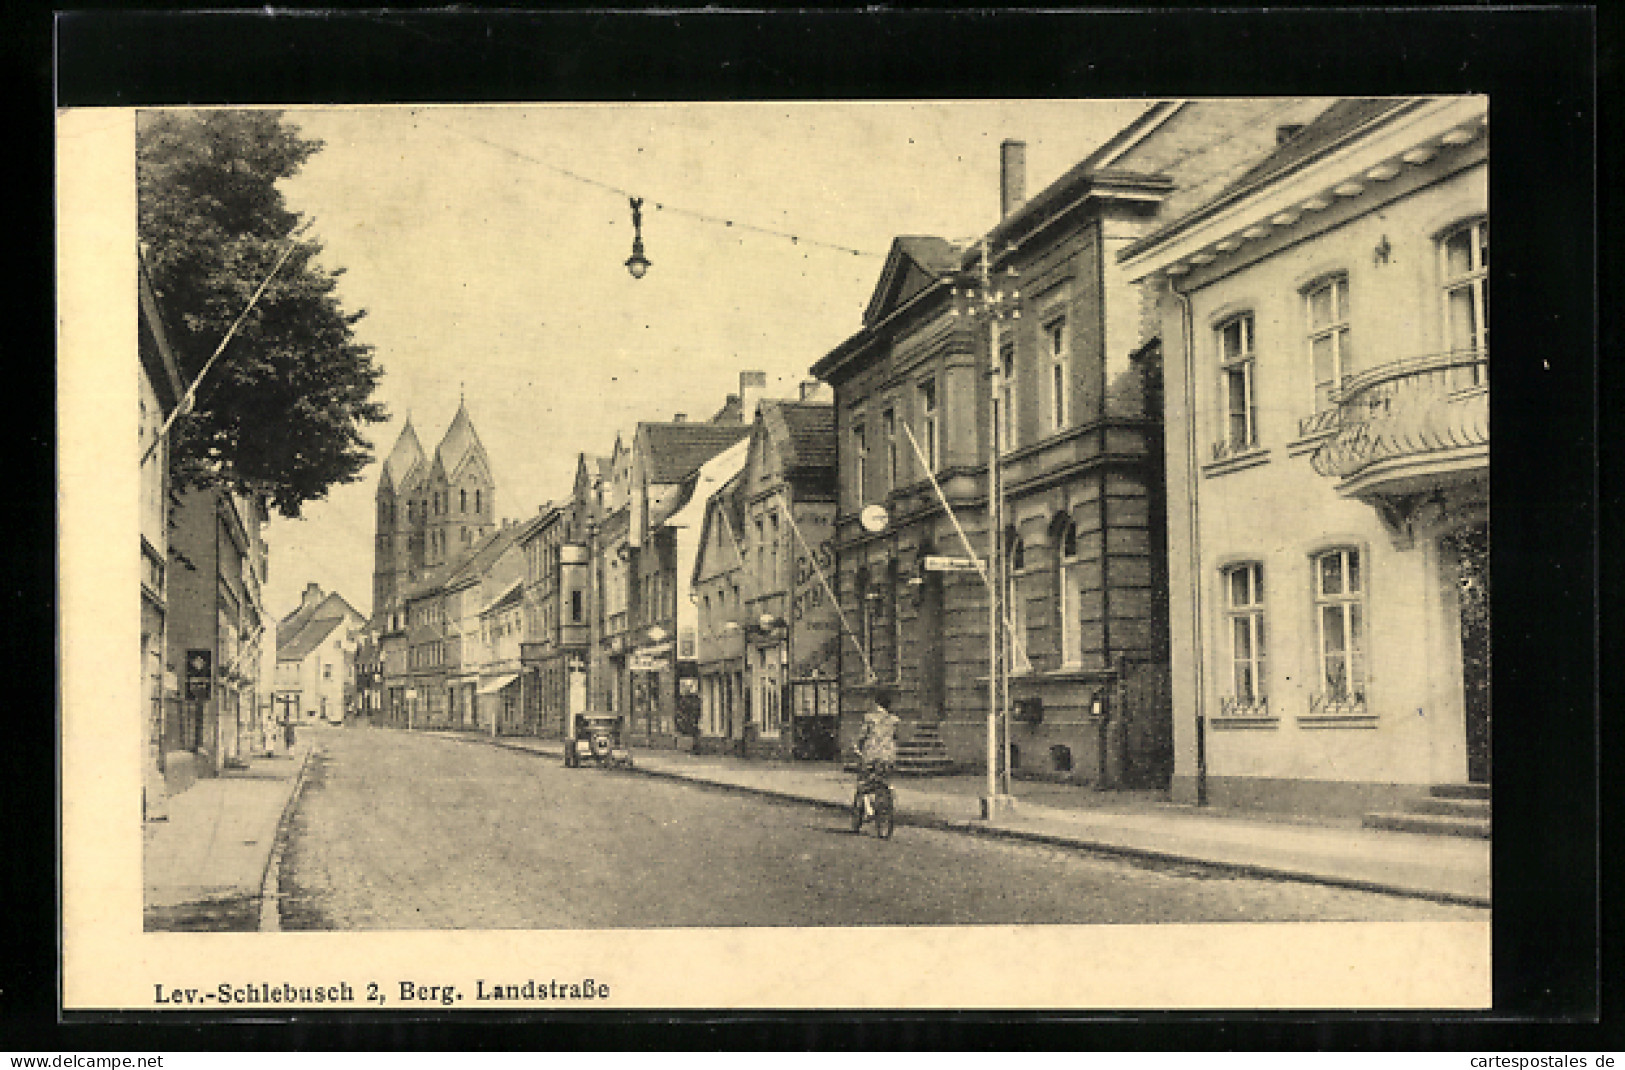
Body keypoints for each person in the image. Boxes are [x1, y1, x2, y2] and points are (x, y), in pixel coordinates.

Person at [855, 689, 900, 793]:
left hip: (872, 755)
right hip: (888, 756)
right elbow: (896, 737)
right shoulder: (894, 720)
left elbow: (862, 736)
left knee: (864, 782)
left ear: (876, 703)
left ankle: (867, 806)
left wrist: (857, 747)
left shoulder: (869, 718)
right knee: (885, 779)